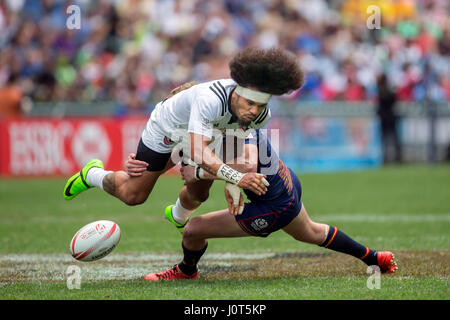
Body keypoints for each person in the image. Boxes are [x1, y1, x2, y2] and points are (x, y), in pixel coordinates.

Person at [63, 47, 305, 229]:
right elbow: (199, 152)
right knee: (133, 196)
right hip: (168, 129)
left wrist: (231, 184)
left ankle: (177, 216)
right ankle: (92, 174)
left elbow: (232, 145)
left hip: (208, 134)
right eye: (250, 103)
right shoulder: (211, 99)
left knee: (199, 193)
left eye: (259, 105)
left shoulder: (261, 115)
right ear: (237, 95)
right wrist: (238, 178)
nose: (254, 110)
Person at [134, 129, 398, 280]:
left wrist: (201, 174)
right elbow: (182, 153)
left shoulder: (235, 126)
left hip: (273, 206)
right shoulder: (230, 120)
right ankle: (373, 257)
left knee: (193, 229)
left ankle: (186, 270)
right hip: (286, 186)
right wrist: (142, 163)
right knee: (313, 233)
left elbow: (247, 163)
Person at [376, 74, 402, 163]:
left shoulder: (381, 90)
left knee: (386, 140)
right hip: (390, 117)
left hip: (385, 118)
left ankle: (388, 158)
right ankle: (396, 158)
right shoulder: (389, 91)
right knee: (393, 139)